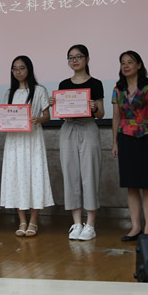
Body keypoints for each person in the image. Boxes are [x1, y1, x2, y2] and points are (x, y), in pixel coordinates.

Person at [49, 45, 104, 241]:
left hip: (88, 128)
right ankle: (77, 223)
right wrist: (54, 105)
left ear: (87, 59)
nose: (74, 60)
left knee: (90, 175)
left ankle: (90, 224)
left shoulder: (95, 83)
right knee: (70, 175)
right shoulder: (64, 84)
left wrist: (94, 107)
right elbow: (61, 112)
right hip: (68, 129)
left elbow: (101, 113)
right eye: (71, 57)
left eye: (78, 56)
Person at [0, 55, 54, 237]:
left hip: (32, 140)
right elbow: (5, 117)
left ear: (29, 69)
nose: (18, 72)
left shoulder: (39, 90)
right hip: (14, 141)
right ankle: (22, 221)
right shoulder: (9, 93)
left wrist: (38, 119)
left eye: (21, 68)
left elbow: (47, 116)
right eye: (15, 69)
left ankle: (33, 221)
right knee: (16, 177)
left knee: (34, 177)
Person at [111, 51, 148, 241]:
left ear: (139, 65)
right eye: (122, 63)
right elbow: (116, 117)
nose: (126, 66)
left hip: (146, 137)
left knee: (147, 185)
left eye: (130, 62)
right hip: (125, 138)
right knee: (131, 186)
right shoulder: (118, 89)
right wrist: (114, 142)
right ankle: (135, 227)